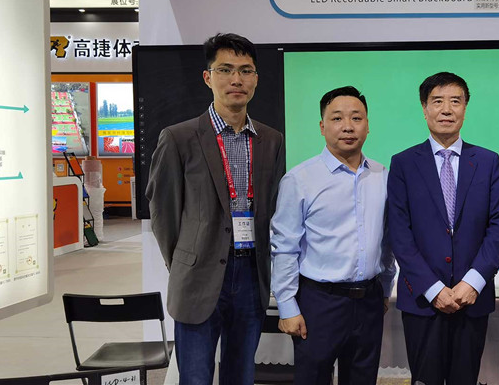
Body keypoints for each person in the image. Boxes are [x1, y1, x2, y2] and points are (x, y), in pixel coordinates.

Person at [147, 33, 285, 385]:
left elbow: (272, 208)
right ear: (208, 77)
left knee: (242, 375)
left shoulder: (271, 140)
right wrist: (187, 261)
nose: (236, 79)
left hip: (251, 274)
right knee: (195, 377)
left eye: (245, 71)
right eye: (225, 70)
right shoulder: (178, 137)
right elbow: (164, 214)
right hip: (199, 277)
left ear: (256, 79)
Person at [387, 71, 499, 385]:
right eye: (437, 101)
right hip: (423, 301)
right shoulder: (403, 164)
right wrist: (434, 289)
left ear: (465, 108)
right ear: (424, 108)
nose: (446, 109)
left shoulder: (488, 162)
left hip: (472, 299)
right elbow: (399, 234)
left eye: (455, 101)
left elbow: (498, 228)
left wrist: (472, 282)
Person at [270, 86, 396, 385]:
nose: (348, 126)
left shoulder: (382, 176)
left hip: (369, 301)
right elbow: (284, 247)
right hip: (319, 303)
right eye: (337, 118)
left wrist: (384, 289)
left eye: (356, 118)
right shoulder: (300, 179)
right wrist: (287, 306)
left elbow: (387, 241)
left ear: (368, 125)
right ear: (322, 126)